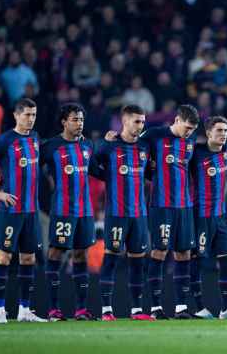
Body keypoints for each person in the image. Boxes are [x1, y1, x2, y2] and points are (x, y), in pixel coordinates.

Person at [0, 98, 46, 323]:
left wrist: (3, 175)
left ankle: (24, 310)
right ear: (16, 115)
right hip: (10, 210)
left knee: (28, 259)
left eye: (34, 115)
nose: (31, 119)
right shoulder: (4, 140)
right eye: (27, 115)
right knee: (4, 258)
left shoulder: (35, 138)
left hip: (31, 211)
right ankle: (0, 310)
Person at [39, 103, 101, 321]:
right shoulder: (51, 146)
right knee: (55, 253)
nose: (79, 123)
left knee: (80, 254)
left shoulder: (88, 145)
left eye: (82, 120)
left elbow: (97, 171)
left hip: (85, 212)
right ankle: (53, 309)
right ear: (64, 122)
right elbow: (29, 167)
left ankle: (81, 310)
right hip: (62, 210)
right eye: (75, 119)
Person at [138, 104, 199, 319]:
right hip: (161, 205)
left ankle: (182, 307)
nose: (189, 132)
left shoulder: (190, 142)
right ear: (177, 120)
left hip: (184, 206)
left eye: (192, 129)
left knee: (184, 253)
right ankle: (155, 307)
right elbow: (131, 148)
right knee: (159, 252)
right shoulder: (154, 136)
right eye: (187, 128)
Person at [94, 105, 152, 321]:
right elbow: (91, 165)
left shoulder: (145, 148)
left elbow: (150, 173)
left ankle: (136, 309)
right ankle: (106, 310)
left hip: (139, 214)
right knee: (111, 259)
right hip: (116, 214)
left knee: (138, 262)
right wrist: (109, 176)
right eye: (137, 121)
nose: (141, 126)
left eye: (143, 122)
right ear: (124, 122)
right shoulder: (109, 146)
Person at [189, 116, 227, 319]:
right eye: (218, 131)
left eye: (225, 131)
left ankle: (226, 308)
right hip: (200, 215)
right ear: (208, 133)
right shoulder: (196, 153)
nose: (223, 134)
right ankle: (200, 306)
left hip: (220, 218)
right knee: (198, 261)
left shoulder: (226, 150)